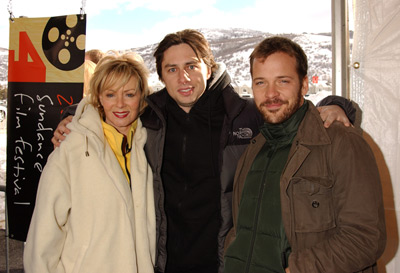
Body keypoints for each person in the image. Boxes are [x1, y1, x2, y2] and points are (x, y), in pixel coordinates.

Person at [51, 29, 355, 273]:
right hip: (163, 261)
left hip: (225, 261)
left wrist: (338, 105)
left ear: (208, 68)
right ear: (161, 75)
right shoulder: (150, 116)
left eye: (191, 66)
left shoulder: (244, 115)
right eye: (172, 69)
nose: (183, 78)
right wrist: (71, 116)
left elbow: (288, 109)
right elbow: (112, 102)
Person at [223, 36, 386, 273]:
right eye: (260, 82)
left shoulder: (341, 144)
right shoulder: (254, 148)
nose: (271, 94)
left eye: (283, 81)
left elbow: (366, 238)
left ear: (305, 84)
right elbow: (242, 229)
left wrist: (298, 269)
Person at [24, 53, 156, 273]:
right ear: (99, 97)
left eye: (129, 94)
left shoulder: (150, 143)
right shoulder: (71, 145)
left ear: (142, 96)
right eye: (111, 94)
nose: (120, 104)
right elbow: (45, 230)